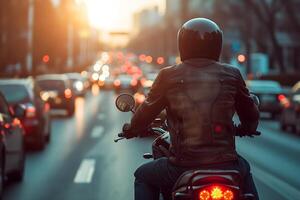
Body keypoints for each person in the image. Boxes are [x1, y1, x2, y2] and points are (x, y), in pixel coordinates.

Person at [122, 18, 260, 200]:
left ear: (183, 44)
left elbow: (145, 113)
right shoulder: (232, 74)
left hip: (182, 166)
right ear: (217, 45)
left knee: (143, 175)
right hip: (227, 164)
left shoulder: (168, 75)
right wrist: (247, 129)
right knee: (245, 171)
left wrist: (131, 129)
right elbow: (250, 114)